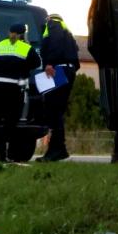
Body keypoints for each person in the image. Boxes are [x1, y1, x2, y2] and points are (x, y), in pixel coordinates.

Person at [0, 23, 40, 163]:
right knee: (9, 122)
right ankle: (2, 155)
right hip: (12, 88)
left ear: (9, 32)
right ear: (23, 34)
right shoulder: (25, 47)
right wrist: (22, 68)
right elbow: (36, 63)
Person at [37, 12, 80, 162]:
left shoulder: (53, 25)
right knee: (58, 111)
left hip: (57, 70)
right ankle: (59, 149)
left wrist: (49, 62)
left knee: (53, 110)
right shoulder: (67, 32)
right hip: (68, 70)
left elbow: (53, 43)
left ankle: (56, 150)